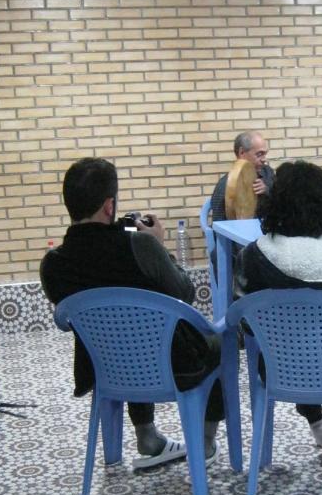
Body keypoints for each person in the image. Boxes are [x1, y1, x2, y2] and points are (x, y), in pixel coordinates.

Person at [40, 157, 223, 468]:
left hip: (102, 365)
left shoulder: (53, 264)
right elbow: (185, 294)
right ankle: (204, 443)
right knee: (218, 343)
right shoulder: (141, 247)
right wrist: (159, 246)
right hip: (172, 361)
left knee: (125, 340)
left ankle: (147, 434)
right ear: (109, 206)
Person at [234, 160, 322, 462]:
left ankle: (318, 425)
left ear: (274, 203)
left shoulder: (253, 255)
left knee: (291, 352)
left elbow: (244, 323)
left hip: (277, 371)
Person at [210, 131, 275, 222]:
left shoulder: (267, 173)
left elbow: (283, 204)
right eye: (259, 154)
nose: (264, 159)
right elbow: (218, 224)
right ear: (242, 153)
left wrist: (267, 190)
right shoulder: (224, 185)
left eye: (265, 154)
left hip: (268, 232)